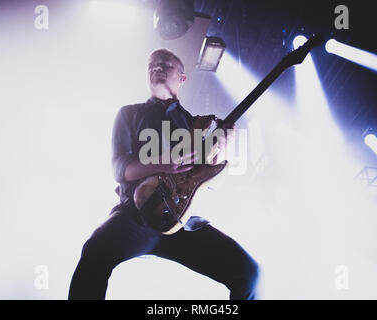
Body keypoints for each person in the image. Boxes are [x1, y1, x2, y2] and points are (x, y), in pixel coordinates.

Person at [68, 48, 262, 300]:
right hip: (137, 216)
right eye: (152, 65)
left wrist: (220, 150)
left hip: (184, 222)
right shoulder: (129, 114)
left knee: (248, 273)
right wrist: (162, 164)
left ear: (182, 78)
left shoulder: (196, 125)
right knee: (95, 251)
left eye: (165, 64)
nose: (157, 67)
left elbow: (209, 180)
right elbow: (119, 169)